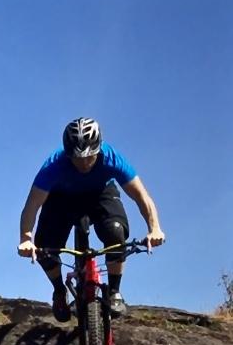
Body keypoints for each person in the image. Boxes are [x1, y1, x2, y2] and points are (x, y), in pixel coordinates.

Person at [17, 117, 165, 320]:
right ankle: (59, 291)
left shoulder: (112, 159)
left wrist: (154, 228)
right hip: (62, 198)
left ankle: (114, 292)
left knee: (115, 232)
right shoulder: (53, 166)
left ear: (98, 148)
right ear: (68, 154)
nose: (84, 163)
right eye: (77, 159)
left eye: (90, 157)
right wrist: (26, 239)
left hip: (100, 193)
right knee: (45, 246)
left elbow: (142, 197)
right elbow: (32, 206)